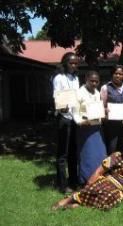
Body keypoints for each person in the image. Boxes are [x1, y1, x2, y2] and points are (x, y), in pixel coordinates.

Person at [52, 135, 123, 211]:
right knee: (94, 189)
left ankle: (79, 205)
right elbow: (99, 171)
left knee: (109, 198)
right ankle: (68, 199)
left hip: (120, 189)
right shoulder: (117, 156)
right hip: (108, 181)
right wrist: (89, 185)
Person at [73, 70, 107, 185]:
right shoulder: (79, 93)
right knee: (87, 155)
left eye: (96, 81)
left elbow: (98, 110)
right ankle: (85, 181)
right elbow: (74, 111)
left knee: (99, 154)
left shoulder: (97, 93)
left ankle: (98, 179)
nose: (94, 83)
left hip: (97, 129)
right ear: (86, 80)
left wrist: (103, 115)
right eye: (91, 81)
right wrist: (81, 122)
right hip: (85, 129)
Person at [52, 52, 80, 193]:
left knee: (73, 152)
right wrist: (61, 105)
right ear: (65, 63)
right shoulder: (59, 77)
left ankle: (74, 182)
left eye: (76, 63)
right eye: (71, 63)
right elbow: (57, 96)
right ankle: (62, 185)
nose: (73, 65)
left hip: (74, 118)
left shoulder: (75, 78)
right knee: (63, 153)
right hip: (64, 118)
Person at [100, 65, 123, 154]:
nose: (118, 76)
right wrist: (105, 110)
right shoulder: (105, 88)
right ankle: (113, 168)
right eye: (116, 73)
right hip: (111, 125)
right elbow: (101, 106)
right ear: (112, 74)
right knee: (113, 149)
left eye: (120, 74)